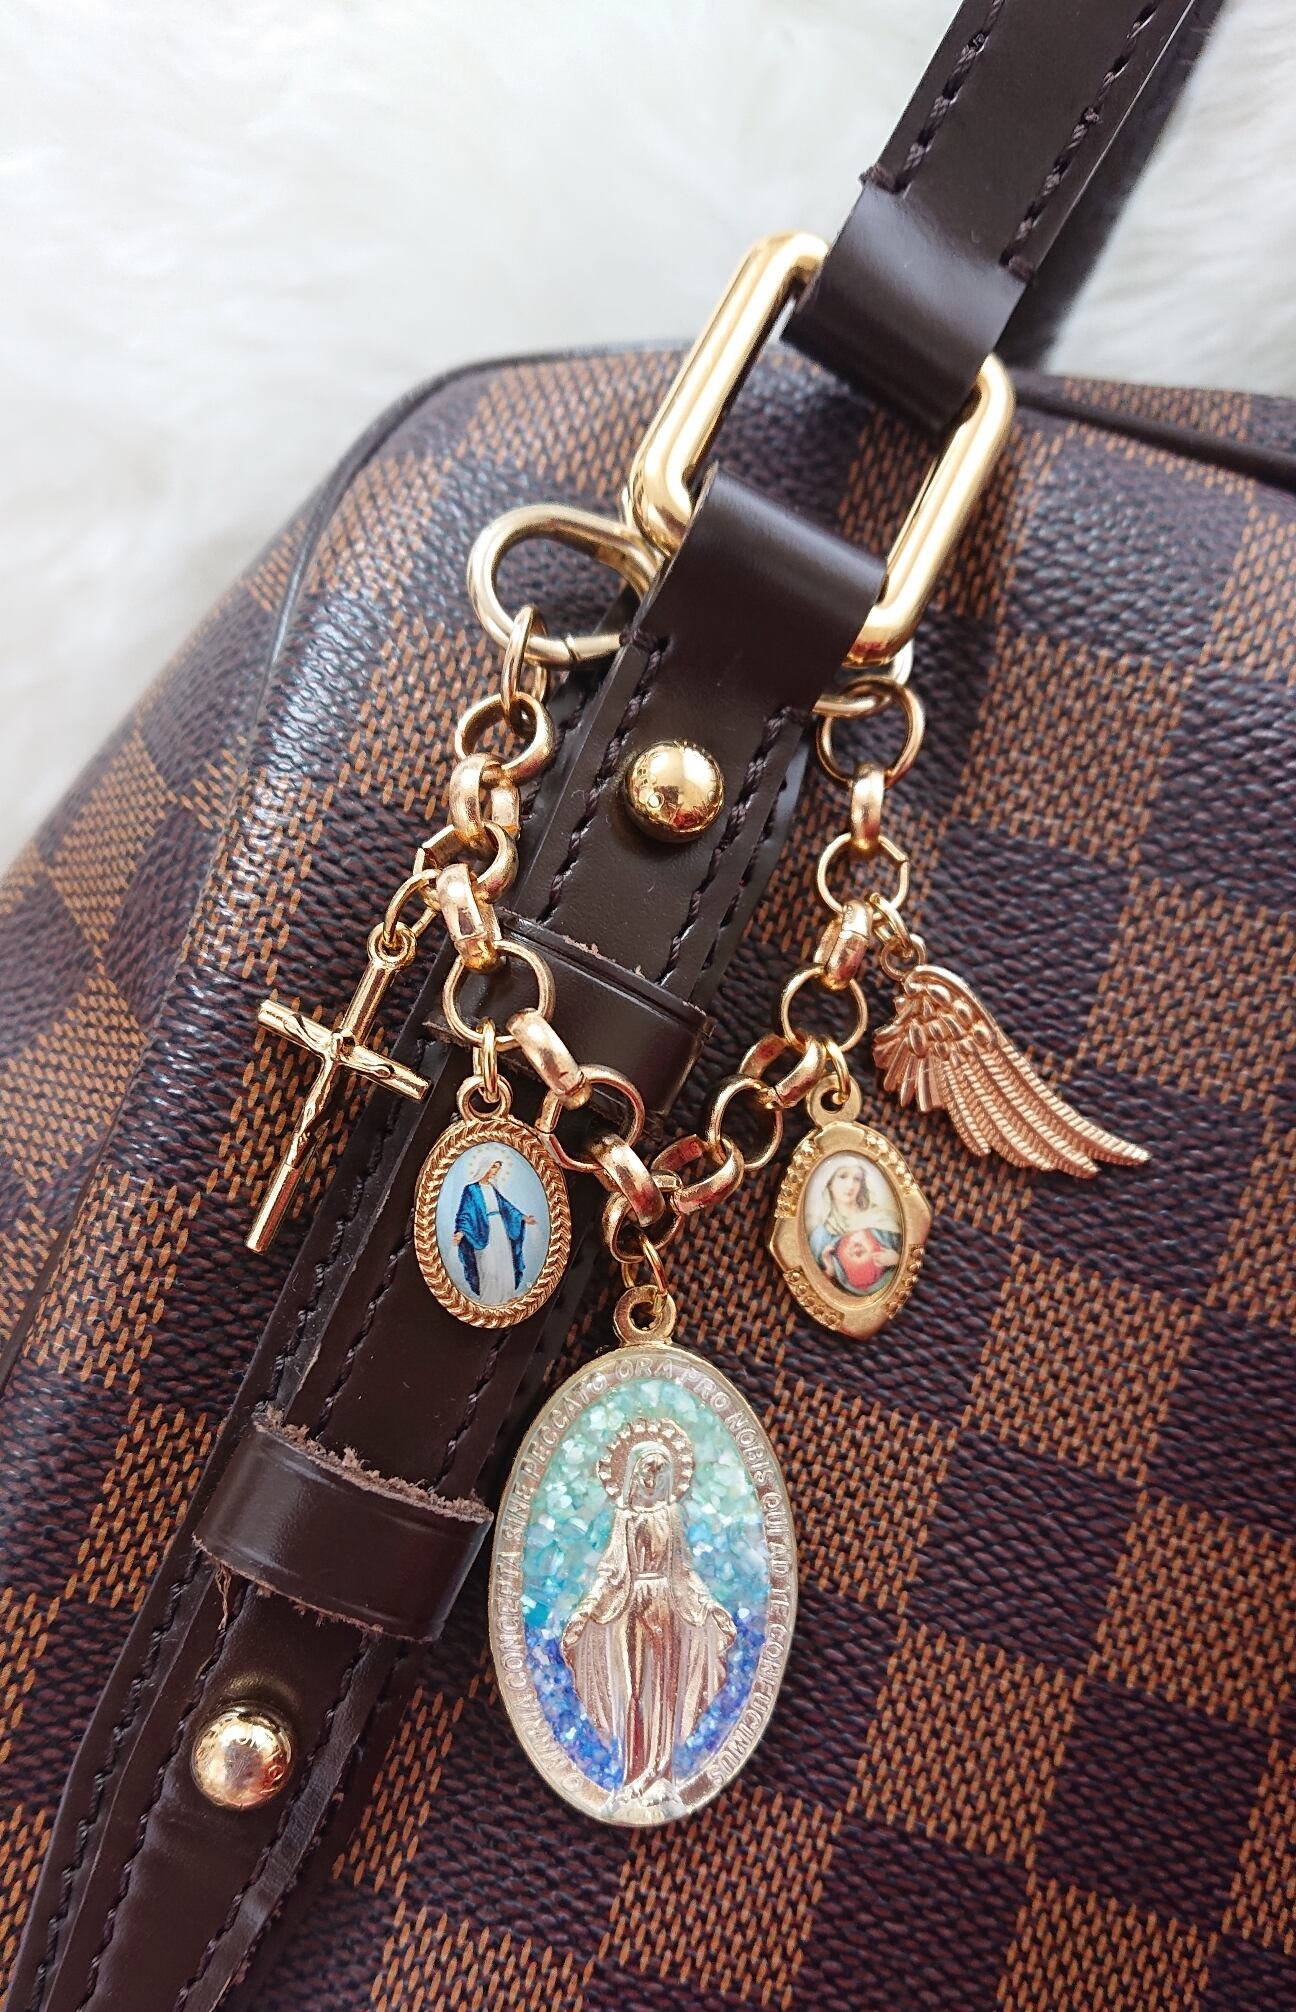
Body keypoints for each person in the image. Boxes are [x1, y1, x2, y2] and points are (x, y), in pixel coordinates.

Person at [561, 1420, 734, 1804]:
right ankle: (634, 1773)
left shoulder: (671, 1517)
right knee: (635, 1690)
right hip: (631, 1604)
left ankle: (661, 1773)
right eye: (646, 1470)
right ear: (634, 1472)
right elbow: (611, 1571)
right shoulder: (624, 1518)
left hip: (665, 1605)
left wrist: (708, 1605)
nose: (652, 1479)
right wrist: (588, 1607)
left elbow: (684, 1569)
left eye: (659, 1471)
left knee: (664, 1691)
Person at [807, 1157, 899, 1297]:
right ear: (829, 1183)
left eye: (857, 1179)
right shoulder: (820, 1236)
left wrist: (897, 1260)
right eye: (843, 1176)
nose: (850, 1185)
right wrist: (829, 1271)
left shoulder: (883, 1221)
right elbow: (815, 1290)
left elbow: (905, 1255)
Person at [452, 1155, 535, 1305]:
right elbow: (465, 1212)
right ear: (486, 1166)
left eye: (497, 1168)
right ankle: (489, 1300)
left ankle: (506, 1296)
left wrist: (523, 1217)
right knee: (488, 1266)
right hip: (482, 1231)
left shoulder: (492, 1188)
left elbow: (506, 1207)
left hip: (500, 1229)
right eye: (494, 1167)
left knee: (504, 1262)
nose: (496, 1171)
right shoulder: (471, 1189)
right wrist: (461, 1232)